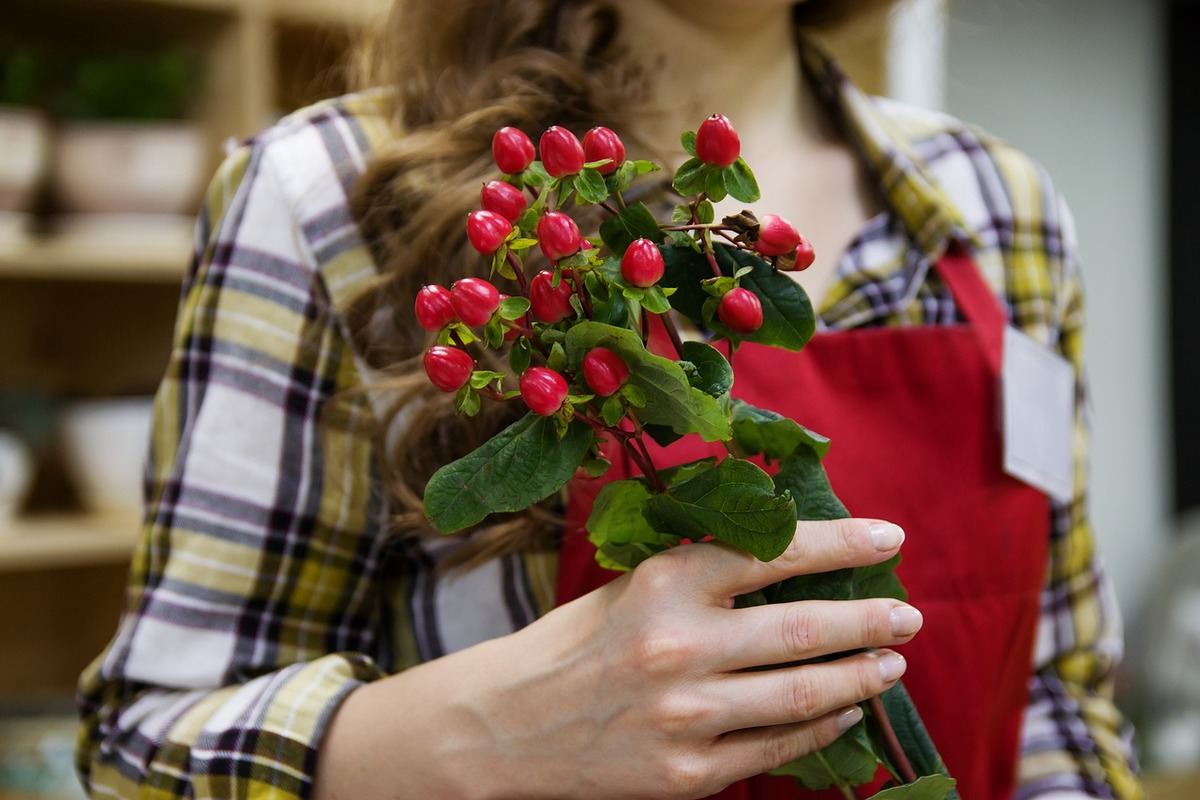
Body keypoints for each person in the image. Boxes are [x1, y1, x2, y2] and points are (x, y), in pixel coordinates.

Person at [75, 1, 1141, 798]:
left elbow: (1054, 686)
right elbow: (146, 742)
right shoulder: (334, 194)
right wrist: (479, 733)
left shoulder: (999, 208)